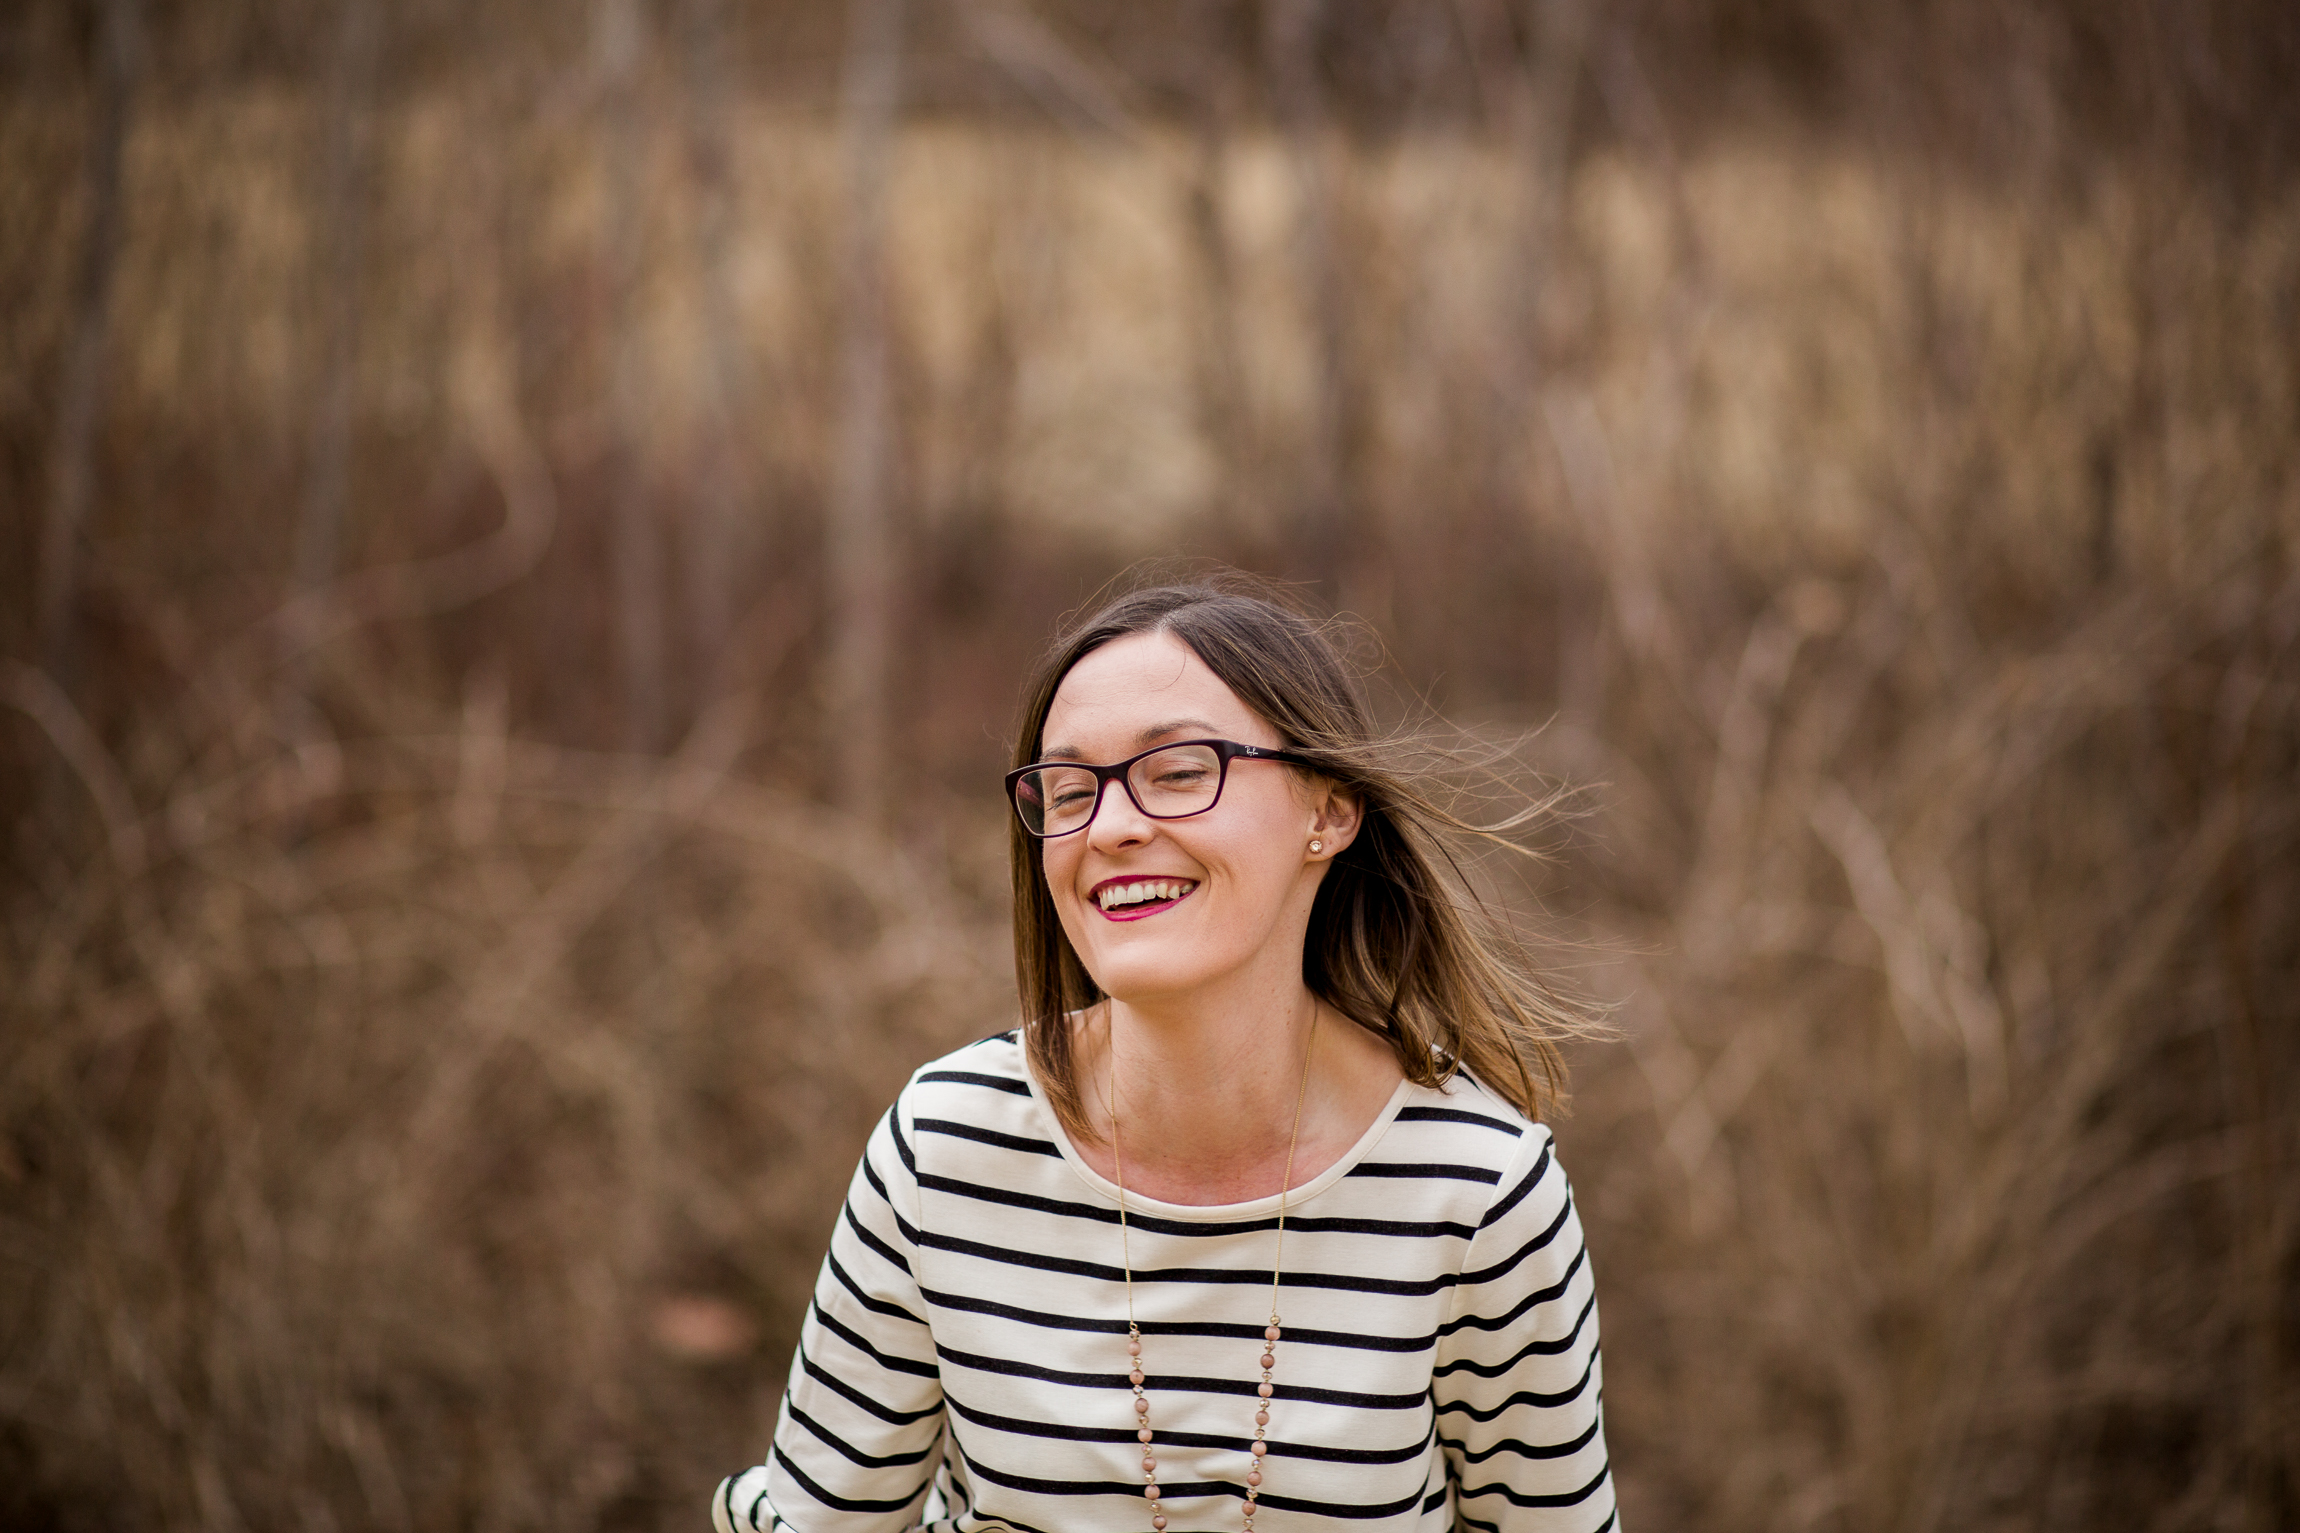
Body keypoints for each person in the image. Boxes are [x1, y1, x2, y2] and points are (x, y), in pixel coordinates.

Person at [714, 573, 1616, 1532]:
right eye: (1067, 790)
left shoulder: (1480, 1194)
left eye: (1180, 771)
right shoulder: (943, 1151)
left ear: (1329, 811)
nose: (1109, 828)